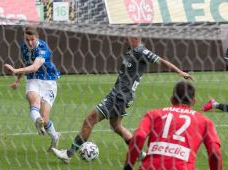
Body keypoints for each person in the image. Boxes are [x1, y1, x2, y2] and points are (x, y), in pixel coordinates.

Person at [51, 34, 193, 163]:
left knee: (89, 120)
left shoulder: (141, 51)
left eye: (128, 37)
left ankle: (68, 154)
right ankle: (139, 155)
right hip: (122, 96)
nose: (126, 38)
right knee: (116, 126)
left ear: (135, 38)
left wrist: (180, 72)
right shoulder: (131, 52)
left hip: (119, 96)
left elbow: (161, 61)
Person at [123, 81, 222, 170]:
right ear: (194, 101)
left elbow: (139, 136)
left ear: (172, 99)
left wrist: (127, 169)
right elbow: (215, 152)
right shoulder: (204, 121)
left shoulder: (154, 114)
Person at [4, 26, 60, 150]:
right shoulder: (24, 47)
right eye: (27, 39)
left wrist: (15, 70)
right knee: (33, 100)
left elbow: (34, 67)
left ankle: (55, 137)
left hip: (48, 82)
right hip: (33, 80)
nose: (30, 42)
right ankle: (37, 121)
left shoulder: (42, 48)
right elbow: (25, 63)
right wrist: (18, 80)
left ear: (37, 38)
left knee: (45, 119)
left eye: (32, 39)